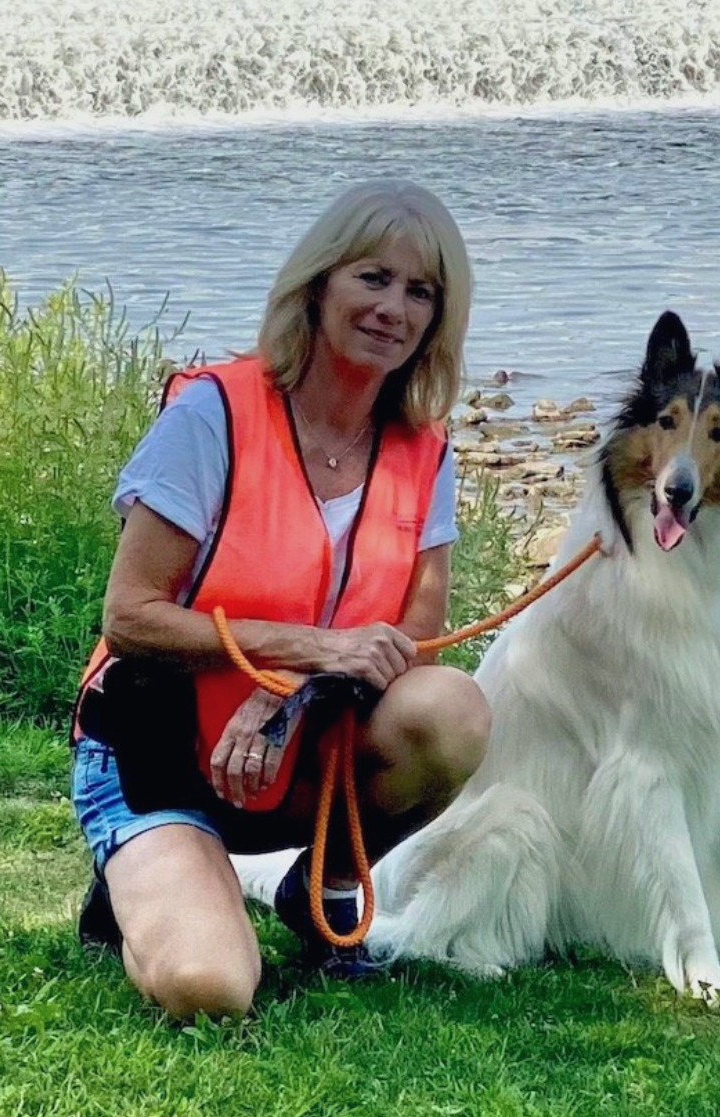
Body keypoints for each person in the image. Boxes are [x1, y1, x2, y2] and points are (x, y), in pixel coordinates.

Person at [70, 180, 491, 1019]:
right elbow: (129, 615)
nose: (392, 309)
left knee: (453, 708)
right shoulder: (213, 414)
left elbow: (413, 638)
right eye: (372, 278)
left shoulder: (427, 451)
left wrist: (289, 698)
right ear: (320, 284)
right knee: (212, 989)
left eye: (421, 292)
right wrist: (306, 649)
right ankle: (149, 877)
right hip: (158, 752)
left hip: (301, 758)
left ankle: (322, 890)